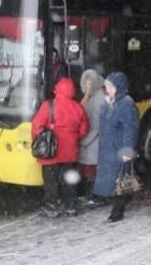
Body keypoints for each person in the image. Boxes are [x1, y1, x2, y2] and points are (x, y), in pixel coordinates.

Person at [31, 77, 89, 218]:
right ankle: (70, 207)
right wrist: (72, 139)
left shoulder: (48, 105)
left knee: (51, 182)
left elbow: (36, 126)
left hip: (51, 154)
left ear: (57, 89)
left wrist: (41, 139)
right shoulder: (78, 107)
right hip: (70, 153)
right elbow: (84, 130)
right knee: (69, 180)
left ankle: (52, 207)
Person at [91, 72, 140, 222]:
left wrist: (127, 150)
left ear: (119, 87)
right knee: (113, 179)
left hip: (119, 150)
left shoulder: (126, 103)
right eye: (106, 87)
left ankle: (117, 213)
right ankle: (121, 201)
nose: (107, 90)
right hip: (109, 148)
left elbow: (130, 129)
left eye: (110, 87)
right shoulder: (111, 102)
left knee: (120, 180)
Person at [77, 69, 106, 206]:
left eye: (89, 82)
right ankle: (91, 196)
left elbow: (95, 127)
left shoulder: (98, 100)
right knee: (89, 170)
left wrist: (83, 141)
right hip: (91, 142)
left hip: (92, 143)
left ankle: (95, 197)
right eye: (85, 82)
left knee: (92, 171)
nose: (87, 85)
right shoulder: (92, 96)